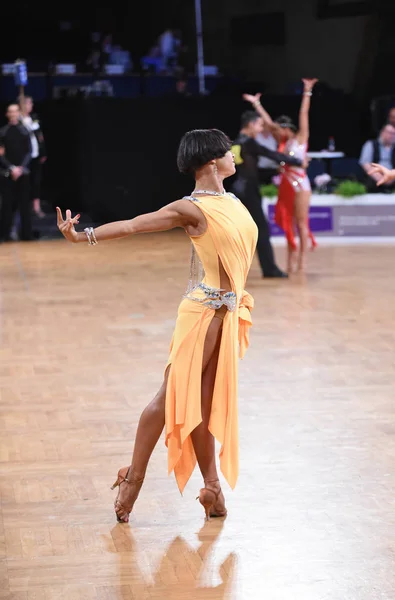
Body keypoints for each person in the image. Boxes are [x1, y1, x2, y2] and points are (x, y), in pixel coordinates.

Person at [56, 129, 258, 523]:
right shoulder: (191, 208)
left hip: (227, 315)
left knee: (201, 403)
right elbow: (134, 225)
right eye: (228, 151)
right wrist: (83, 237)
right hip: (202, 316)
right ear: (212, 161)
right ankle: (134, 477)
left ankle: (213, 490)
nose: (235, 156)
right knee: (171, 399)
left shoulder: (231, 200)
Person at [244, 79, 318, 273]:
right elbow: (268, 123)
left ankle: (302, 261)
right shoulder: (281, 142)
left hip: (300, 183)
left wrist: (307, 92)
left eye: (280, 129)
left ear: (288, 128)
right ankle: (289, 262)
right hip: (286, 183)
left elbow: (304, 114)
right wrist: (257, 104)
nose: (276, 132)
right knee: (288, 223)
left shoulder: (301, 138)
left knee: (301, 223)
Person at [235, 105, 308, 278]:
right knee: (261, 230)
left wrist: (276, 171)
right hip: (249, 191)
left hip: (239, 190)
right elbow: (271, 154)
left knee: (240, 232)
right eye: (259, 126)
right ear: (251, 125)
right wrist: (296, 161)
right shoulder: (249, 142)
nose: (261, 130)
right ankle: (270, 269)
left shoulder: (236, 142)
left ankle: (234, 269)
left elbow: (252, 169)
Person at [0, 104, 32, 242]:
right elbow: (1, 154)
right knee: (6, 205)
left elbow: (29, 151)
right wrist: (12, 168)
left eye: (15, 111)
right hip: (8, 173)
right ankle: (5, 234)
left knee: (25, 205)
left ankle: (26, 235)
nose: (13, 114)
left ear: (19, 113)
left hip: (22, 173)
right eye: (10, 112)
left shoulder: (24, 130)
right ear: (7, 114)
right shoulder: (3, 132)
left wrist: (20, 168)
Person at [19, 95, 47, 218]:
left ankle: (36, 207)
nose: (31, 106)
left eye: (31, 103)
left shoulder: (34, 118)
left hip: (36, 154)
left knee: (36, 181)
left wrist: (43, 152)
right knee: (25, 183)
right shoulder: (18, 120)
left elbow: (40, 136)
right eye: (28, 103)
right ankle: (23, 208)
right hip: (23, 157)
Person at [359, 124, 395, 192]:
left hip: (393, 177)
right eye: (390, 133)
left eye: (394, 133)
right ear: (382, 132)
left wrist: (392, 176)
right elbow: (365, 164)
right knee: (369, 183)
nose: (392, 136)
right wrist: (380, 178)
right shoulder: (371, 144)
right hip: (374, 177)